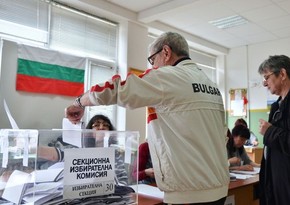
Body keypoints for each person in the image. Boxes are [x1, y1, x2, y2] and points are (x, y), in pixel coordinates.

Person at [65, 31, 229, 205]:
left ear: (166, 52)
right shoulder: (212, 86)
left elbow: (117, 89)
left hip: (189, 193)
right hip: (217, 188)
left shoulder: (169, 76)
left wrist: (79, 102)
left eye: (152, 60)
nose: (152, 66)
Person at [38, 114, 128, 185]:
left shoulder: (115, 152)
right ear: (89, 131)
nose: (101, 127)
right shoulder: (83, 149)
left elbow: (123, 179)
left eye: (105, 125)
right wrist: (34, 149)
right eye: (96, 125)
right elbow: (58, 154)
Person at [258, 55, 290, 205]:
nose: (265, 83)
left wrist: (270, 132)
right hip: (276, 180)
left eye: (267, 77)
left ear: (282, 74)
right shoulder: (276, 106)